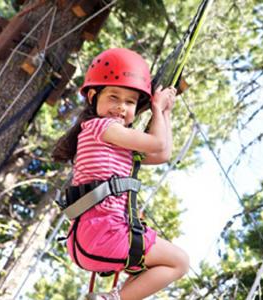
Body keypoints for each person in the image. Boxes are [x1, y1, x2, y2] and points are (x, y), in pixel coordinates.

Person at [52, 48, 189, 300]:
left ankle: (114, 297)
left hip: (93, 239)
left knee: (167, 263)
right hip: (101, 236)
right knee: (178, 262)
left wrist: (166, 112)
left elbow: (162, 154)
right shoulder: (101, 126)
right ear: (93, 96)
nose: (120, 107)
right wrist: (157, 109)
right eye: (113, 97)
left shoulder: (116, 142)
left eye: (130, 102)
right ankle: (114, 299)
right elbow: (157, 144)